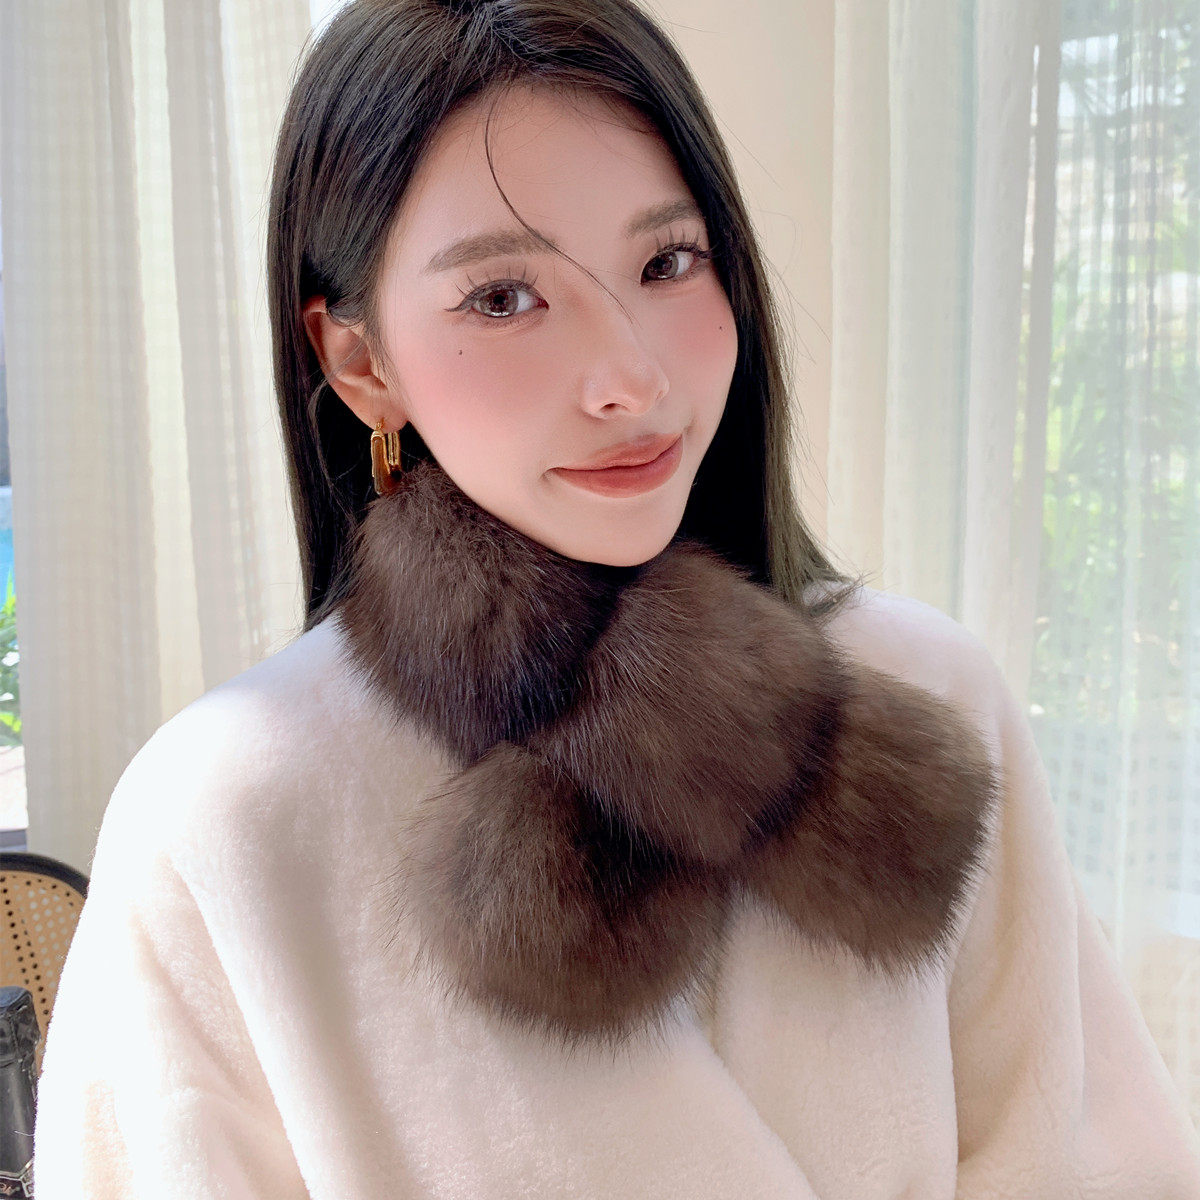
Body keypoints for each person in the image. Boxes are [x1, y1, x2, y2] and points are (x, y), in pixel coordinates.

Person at [30, 0, 1200, 1196]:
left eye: (667, 263)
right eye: (502, 297)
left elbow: (1094, 1161)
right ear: (361, 363)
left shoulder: (926, 687)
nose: (632, 380)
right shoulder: (226, 810)